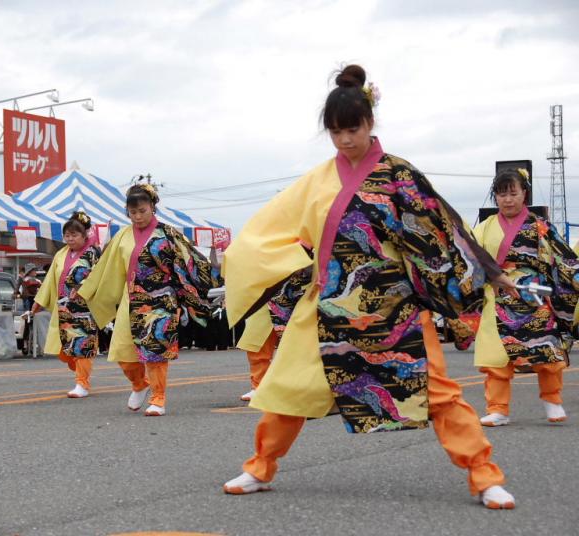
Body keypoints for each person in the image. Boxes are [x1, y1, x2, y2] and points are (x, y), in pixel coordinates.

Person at [220, 64, 518, 509]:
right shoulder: (316, 181)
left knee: (437, 391)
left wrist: (491, 274)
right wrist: (280, 269)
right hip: (327, 307)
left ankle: (483, 473)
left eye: (352, 129)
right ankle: (260, 466)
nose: (345, 140)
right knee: (289, 390)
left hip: (395, 307)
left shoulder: (400, 174)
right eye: (336, 131)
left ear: (370, 123)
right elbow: (268, 231)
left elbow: (441, 231)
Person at [79, 183, 214, 416]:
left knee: (156, 352)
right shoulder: (122, 235)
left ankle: (158, 398)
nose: (138, 216)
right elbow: (106, 267)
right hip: (130, 298)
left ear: (152, 207)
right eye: (132, 212)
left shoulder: (168, 233)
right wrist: (87, 290)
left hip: (161, 299)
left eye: (142, 210)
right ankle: (140, 384)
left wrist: (184, 292)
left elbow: (190, 260)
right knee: (121, 352)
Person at [458, 169, 579, 426]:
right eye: (502, 194)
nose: (508, 200)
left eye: (513, 193)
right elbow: (469, 260)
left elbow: (564, 259)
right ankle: (498, 409)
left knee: (545, 354)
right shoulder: (485, 228)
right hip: (497, 297)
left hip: (534, 299)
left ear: (525, 193)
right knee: (496, 359)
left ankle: (552, 400)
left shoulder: (540, 226)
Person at [32, 211, 102, 398]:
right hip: (64, 307)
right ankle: (81, 374)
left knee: (82, 346)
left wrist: (83, 287)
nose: (70, 239)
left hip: (85, 308)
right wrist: (38, 302)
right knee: (65, 350)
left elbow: (101, 278)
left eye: (74, 235)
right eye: (67, 235)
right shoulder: (61, 253)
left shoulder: (94, 253)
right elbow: (49, 280)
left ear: (84, 235)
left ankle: (82, 383)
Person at [237, 263, 312, 402]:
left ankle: (299, 386)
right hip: (264, 296)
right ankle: (258, 386)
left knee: (297, 346)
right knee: (257, 344)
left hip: (295, 295)